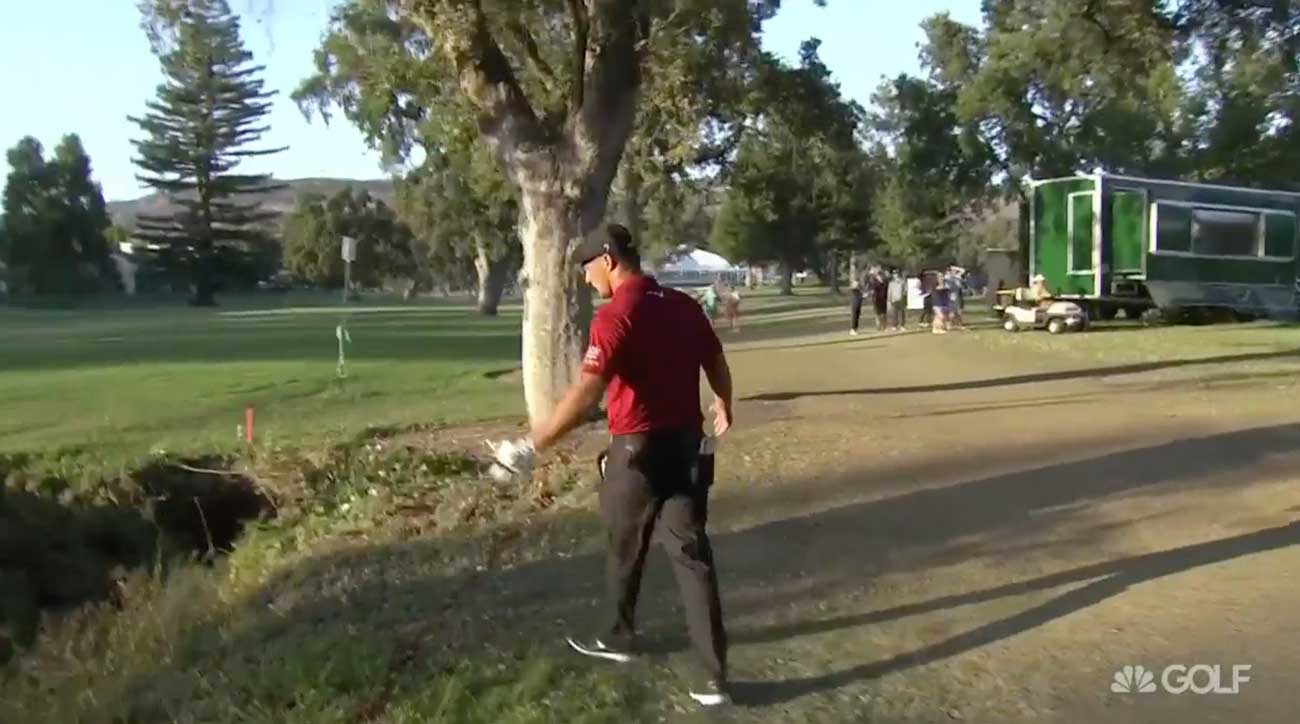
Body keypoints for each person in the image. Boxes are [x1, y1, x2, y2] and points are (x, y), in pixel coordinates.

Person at [528, 223, 735, 707]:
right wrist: (725, 402)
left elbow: (587, 392)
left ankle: (618, 636)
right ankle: (713, 677)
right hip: (685, 449)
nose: (584, 278)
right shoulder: (683, 306)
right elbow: (716, 358)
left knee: (623, 544)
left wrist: (540, 438)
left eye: (586, 266)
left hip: (637, 453)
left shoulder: (615, 316)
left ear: (607, 258)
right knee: (692, 556)